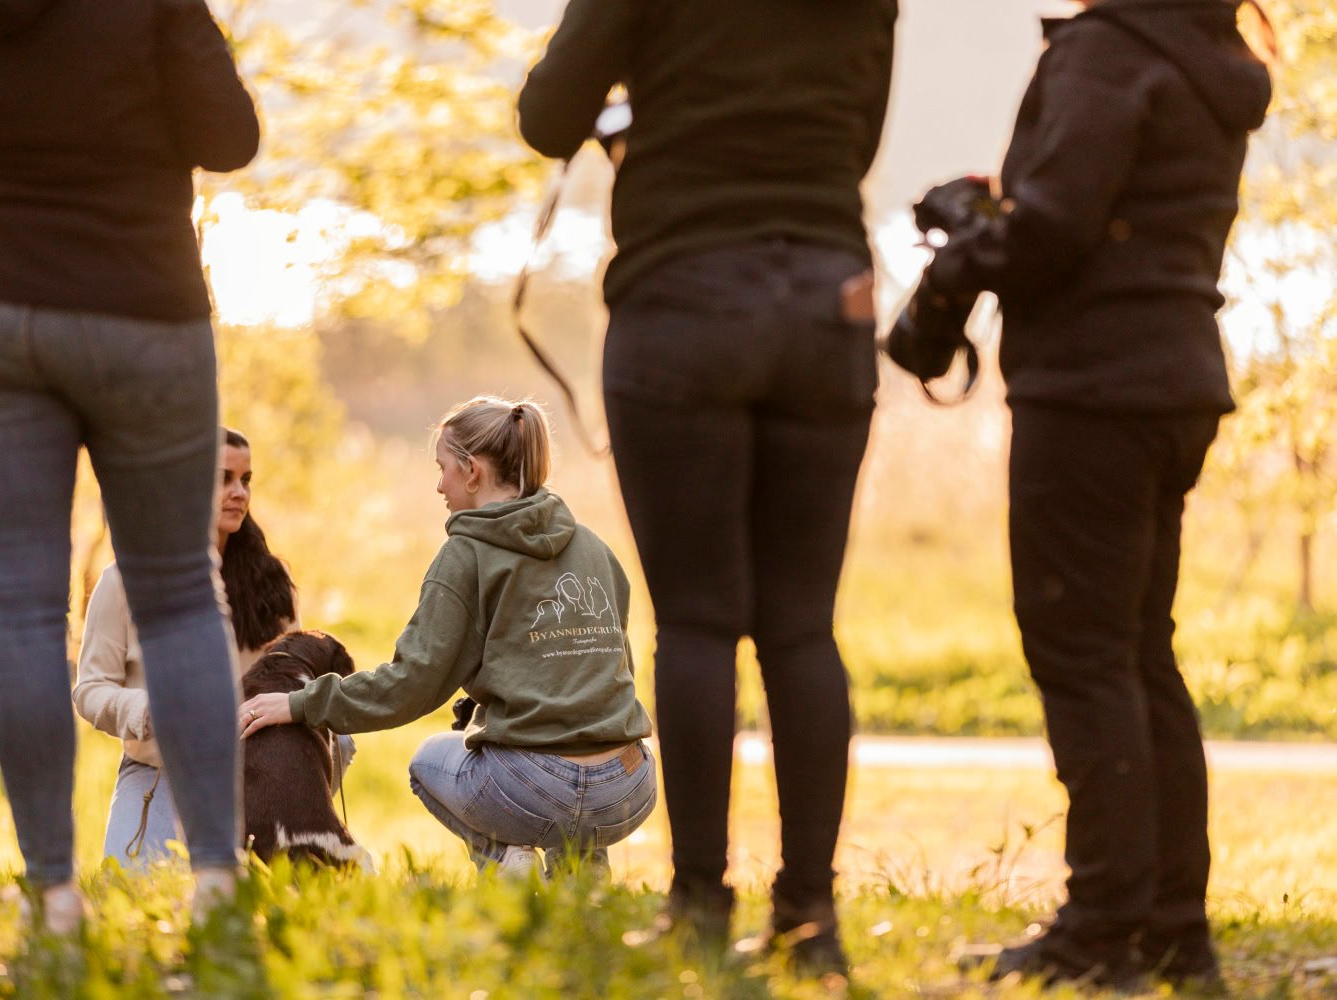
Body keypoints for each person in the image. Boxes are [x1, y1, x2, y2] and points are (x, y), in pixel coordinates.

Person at [0, 0, 262, 931]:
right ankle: (215, 886)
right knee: (179, 593)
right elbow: (229, 136)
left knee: (19, 608)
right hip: (141, 303)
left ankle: (53, 894)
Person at [516, 0, 898, 972]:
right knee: (803, 624)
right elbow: (856, 139)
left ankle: (698, 902)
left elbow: (547, 116)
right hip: (825, 298)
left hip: (683, 299)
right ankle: (812, 917)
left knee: (696, 621)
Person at [917, 0, 1272, 990]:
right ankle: (1169, 926)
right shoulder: (1209, 53)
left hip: (1092, 385)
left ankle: (1106, 925)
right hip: (1174, 378)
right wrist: (1001, 216)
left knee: (1082, 651)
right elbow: (1098, 211)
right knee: (1137, 650)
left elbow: (1059, 228)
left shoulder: (1110, 48)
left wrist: (965, 249)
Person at [238, 397, 656, 878]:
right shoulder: (592, 546)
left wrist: (301, 704)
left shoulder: (466, 555)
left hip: (539, 789)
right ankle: (584, 885)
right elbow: (608, 666)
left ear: (473, 471)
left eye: (444, 468)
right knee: (565, 772)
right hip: (629, 785)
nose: (439, 485)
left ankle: (505, 860)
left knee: (427, 762)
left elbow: (411, 682)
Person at [75, 429, 356, 868]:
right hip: (160, 772)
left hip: (257, 769)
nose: (238, 493)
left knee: (342, 741)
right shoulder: (124, 581)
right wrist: (149, 710)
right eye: (223, 479)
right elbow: (89, 689)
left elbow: (296, 676)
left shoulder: (272, 584)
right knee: (130, 882)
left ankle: (290, 834)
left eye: (246, 480)